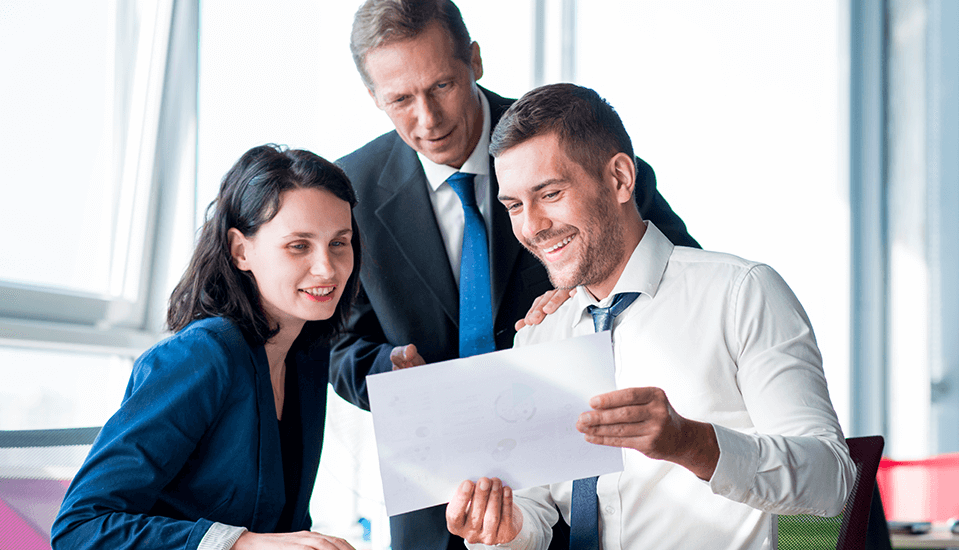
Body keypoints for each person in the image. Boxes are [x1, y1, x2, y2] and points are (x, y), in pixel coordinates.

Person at [330, 1, 699, 549]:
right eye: (401, 100)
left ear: (474, 61)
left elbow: (677, 279)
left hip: (582, 483)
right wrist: (386, 370)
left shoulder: (568, 143)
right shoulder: (350, 191)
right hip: (436, 505)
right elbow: (338, 344)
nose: (428, 119)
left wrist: (588, 291)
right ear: (373, 97)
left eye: (442, 85)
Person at [443, 83, 858, 550]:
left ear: (620, 178)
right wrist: (502, 529)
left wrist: (695, 445)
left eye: (551, 193)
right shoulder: (541, 335)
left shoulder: (740, 293)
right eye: (515, 206)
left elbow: (831, 481)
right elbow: (534, 515)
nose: (531, 226)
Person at [52, 145, 362, 550]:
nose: (327, 267)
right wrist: (240, 544)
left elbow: (281, 523)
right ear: (241, 251)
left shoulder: (306, 357)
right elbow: (80, 528)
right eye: (299, 246)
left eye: (339, 243)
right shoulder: (202, 355)